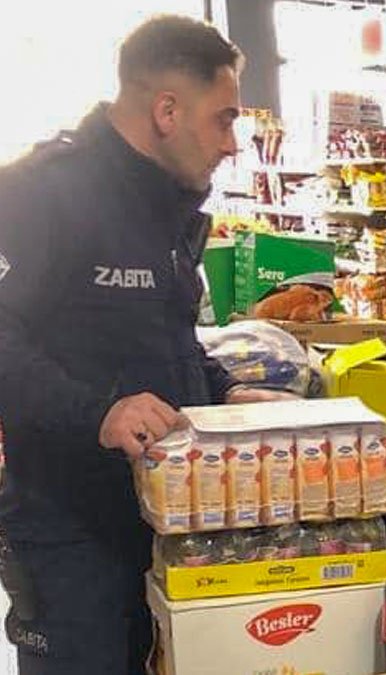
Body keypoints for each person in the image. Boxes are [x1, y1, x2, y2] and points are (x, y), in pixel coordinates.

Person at [0, 16, 283, 674]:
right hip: (70, 535)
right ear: (166, 110)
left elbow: (164, 340)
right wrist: (97, 412)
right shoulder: (39, 193)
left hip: (166, 522)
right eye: (224, 119)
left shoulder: (168, 207)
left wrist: (225, 390)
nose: (233, 143)